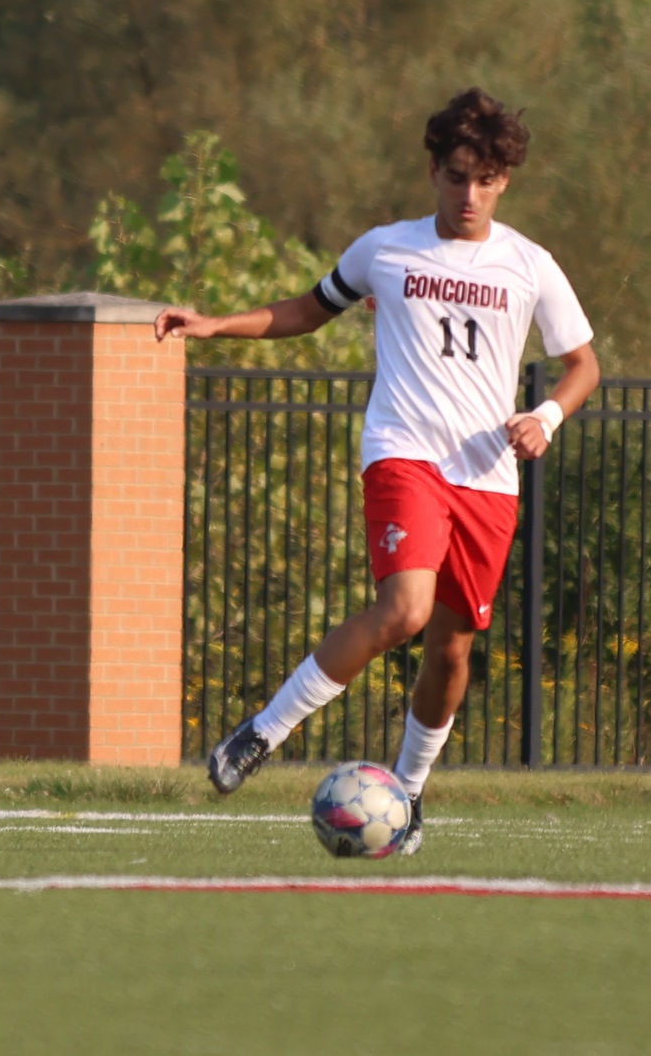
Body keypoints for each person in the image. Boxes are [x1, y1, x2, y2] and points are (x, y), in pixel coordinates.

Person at [158, 89, 599, 851]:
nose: (469, 194)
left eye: (485, 179)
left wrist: (546, 416)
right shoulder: (384, 249)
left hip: (487, 476)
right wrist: (215, 322)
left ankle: (409, 791)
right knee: (404, 609)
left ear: (504, 181)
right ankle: (260, 734)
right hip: (404, 453)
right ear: (432, 169)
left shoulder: (531, 265)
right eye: (457, 175)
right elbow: (304, 308)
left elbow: (583, 365)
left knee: (451, 648)